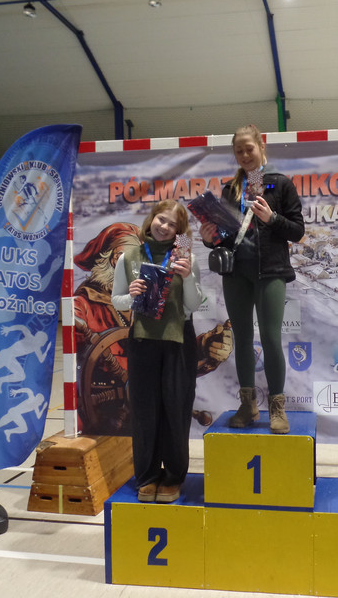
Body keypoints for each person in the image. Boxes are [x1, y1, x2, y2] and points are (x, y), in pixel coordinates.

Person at [73, 222, 232, 435]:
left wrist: (205, 347)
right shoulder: (82, 305)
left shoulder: (153, 291)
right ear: (114, 260)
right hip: (103, 419)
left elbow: (165, 341)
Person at [200, 124, 305, 434]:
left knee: (271, 339)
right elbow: (223, 236)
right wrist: (208, 238)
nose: (245, 155)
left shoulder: (281, 184)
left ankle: (277, 408)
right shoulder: (230, 190)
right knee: (242, 340)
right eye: (239, 151)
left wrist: (272, 218)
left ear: (262, 147)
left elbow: (297, 231)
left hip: (270, 271)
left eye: (249, 149)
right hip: (236, 273)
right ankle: (248, 406)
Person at [111, 200, 204, 503]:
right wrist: (131, 297)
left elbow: (193, 305)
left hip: (179, 343)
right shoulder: (129, 257)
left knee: (176, 412)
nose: (164, 227)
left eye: (172, 224)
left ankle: (174, 477)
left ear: (180, 231)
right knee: (144, 413)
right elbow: (117, 300)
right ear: (151, 219)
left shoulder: (186, 258)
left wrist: (187, 277)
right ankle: (148, 476)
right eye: (161, 219)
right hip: (142, 341)